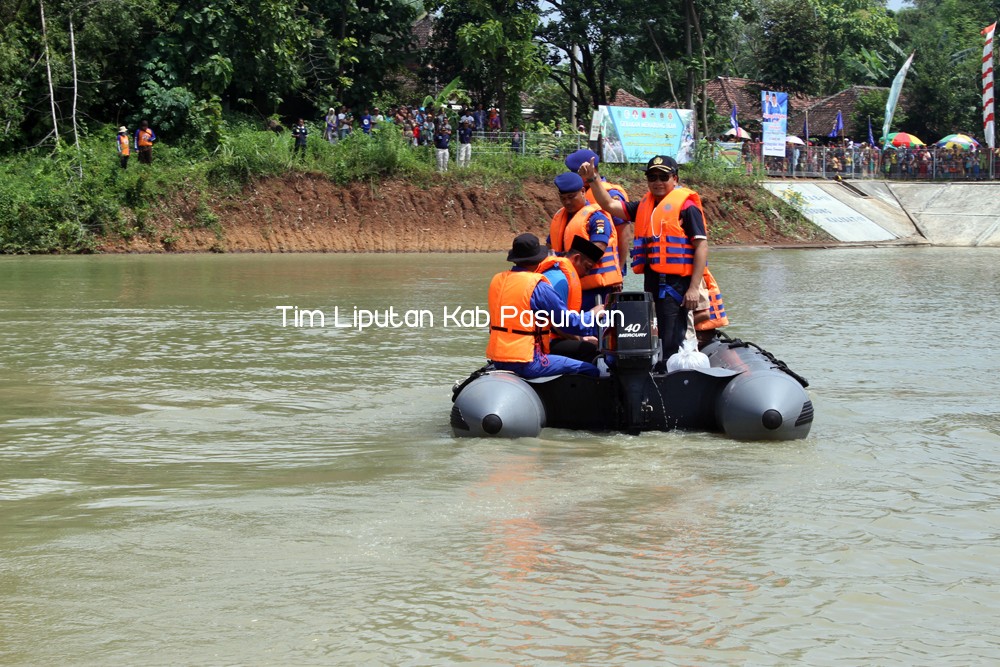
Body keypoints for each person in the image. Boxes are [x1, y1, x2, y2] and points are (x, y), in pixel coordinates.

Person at [579, 155, 707, 369]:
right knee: (658, 329)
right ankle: (658, 369)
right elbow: (609, 204)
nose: (657, 182)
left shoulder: (687, 208)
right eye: (652, 177)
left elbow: (701, 246)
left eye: (663, 177)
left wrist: (694, 288)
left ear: (674, 179)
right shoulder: (644, 207)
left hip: (677, 284)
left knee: (673, 333)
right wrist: (593, 179)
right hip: (654, 280)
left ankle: (673, 374)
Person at [486, 233, 602, 378]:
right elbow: (568, 323)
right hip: (527, 362)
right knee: (591, 370)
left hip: (498, 360)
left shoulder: (497, 280)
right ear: (538, 258)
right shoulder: (538, 286)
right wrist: (593, 314)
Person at [547, 171, 622, 310]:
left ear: (582, 191)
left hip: (595, 290)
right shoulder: (560, 217)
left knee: (594, 329)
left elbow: (597, 248)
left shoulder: (596, 217)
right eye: (563, 198)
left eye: (571, 197)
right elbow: (550, 246)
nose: (567, 202)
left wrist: (566, 261)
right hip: (566, 285)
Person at [536, 235, 606, 362]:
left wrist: (581, 337)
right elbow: (559, 324)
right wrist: (581, 337)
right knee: (590, 350)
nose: (586, 274)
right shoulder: (560, 280)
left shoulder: (557, 272)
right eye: (587, 267)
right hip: (541, 342)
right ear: (577, 258)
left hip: (543, 338)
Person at [565, 148, 630, 275]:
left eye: (578, 173)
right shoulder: (578, 194)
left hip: (606, 271)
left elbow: (624, 234)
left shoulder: (611, 194)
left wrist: (619, 270)